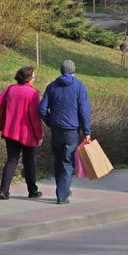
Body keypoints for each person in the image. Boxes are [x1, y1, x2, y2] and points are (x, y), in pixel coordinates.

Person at [39, 60, 91, 204]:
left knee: (58, 161)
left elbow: (42, 108)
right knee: (67, 162)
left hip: (56, 129)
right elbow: (84, 111)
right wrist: (87, 131)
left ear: (61, 71)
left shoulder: (52, 86)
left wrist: (50, 122)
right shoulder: (79, 86)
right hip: (72, 130)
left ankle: (63, 189)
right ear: (74, 71)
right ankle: (62, 195)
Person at [0, 66, 45, 200]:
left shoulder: (10, 89)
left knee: (12, 160)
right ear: (29, 79)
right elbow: (35, 117)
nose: (34, 79)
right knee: (29, 162)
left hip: (10, 131)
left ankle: (3, 190)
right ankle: (32, 191)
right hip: (27, 133)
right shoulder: (33, 93)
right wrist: (39, 135)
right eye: (34, 77)